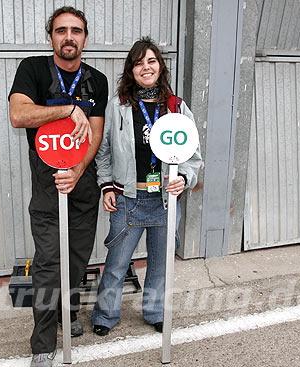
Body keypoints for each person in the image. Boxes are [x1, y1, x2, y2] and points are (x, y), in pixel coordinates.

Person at [8, 6, 108, 367]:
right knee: (49, 264)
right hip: (47, 188)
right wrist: (66, 109)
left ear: (85, 37)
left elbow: (94, 134)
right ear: (50, 36)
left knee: (77, 260)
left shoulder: (97, 79)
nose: (69, 37)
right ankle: (43, 345)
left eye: (76, 31)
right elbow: (19, 115)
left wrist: (79, 170)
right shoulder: (32, 69)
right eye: (61, 30)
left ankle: (68, 313)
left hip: (82, 186)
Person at [91, 37, 201, 336]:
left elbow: (193, 156)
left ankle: (155, 312)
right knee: (116, 262)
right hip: (128, 198)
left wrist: (184, 178)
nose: (145, 67)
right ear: (131, 70)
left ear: (160, 66)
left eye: (151, 61)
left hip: (165, 201)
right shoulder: (118, 105)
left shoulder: (176, 107)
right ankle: (105, 314)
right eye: (138, 63)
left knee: (160, 265)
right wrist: (106, 186)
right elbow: (103, 150)